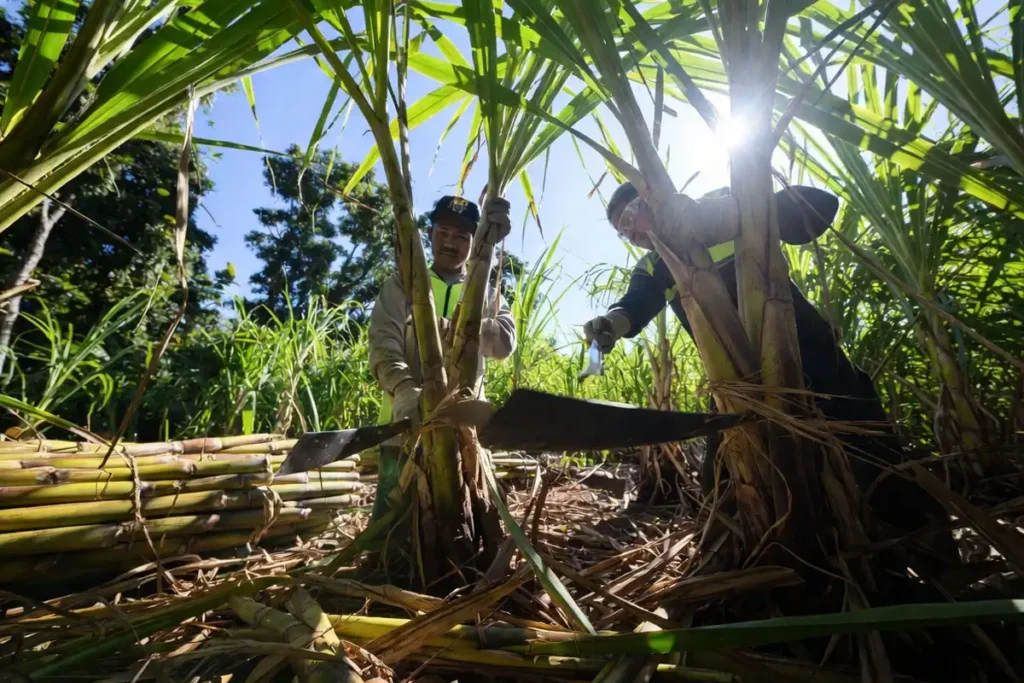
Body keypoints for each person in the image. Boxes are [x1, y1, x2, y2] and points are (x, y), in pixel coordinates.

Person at [585, 182, 954, 557]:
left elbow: (819, 207)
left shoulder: (724, 204)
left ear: (654, 198)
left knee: (869, 449)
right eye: (621, 231)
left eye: (630, 218)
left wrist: (725, 217)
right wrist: (610, 326)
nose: (630, 233)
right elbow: (634, 304)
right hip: (736, 385)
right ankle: (748, 567)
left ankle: (925, 542)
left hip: (807, 355)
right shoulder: (653, 266)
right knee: (721, 484)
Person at [368, 195, 516, 520]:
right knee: (391, 529)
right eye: (444, 232)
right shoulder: (403, 284)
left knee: (463, 523)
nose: (451, 242)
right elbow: (383, 345)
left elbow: (504, 344)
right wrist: (405, 390)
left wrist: (461, 328)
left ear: (474, 241)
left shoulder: (485, 292)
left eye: (462, 236)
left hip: (466, 433)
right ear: (430, 232)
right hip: (403, 428)